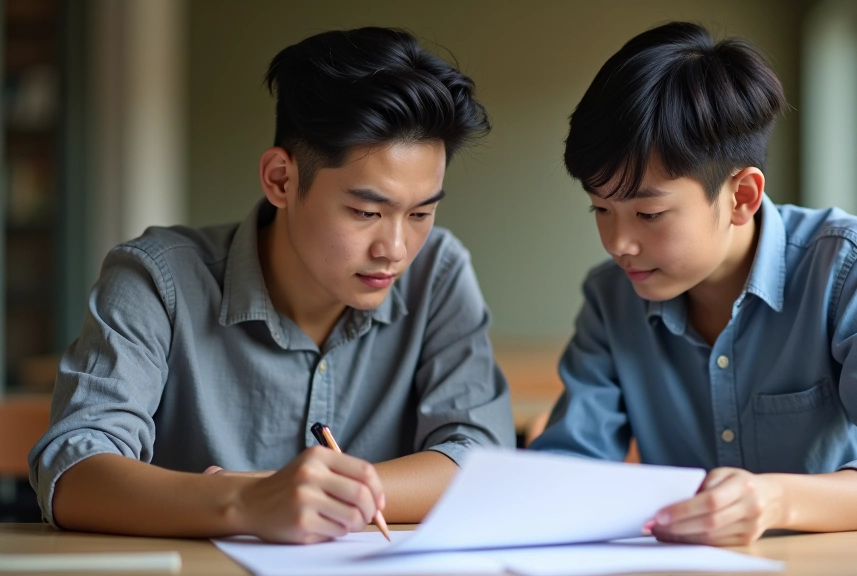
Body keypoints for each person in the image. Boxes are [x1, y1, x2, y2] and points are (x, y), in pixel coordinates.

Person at [29, 27, 514, 544]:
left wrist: (303, 493)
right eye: (366, 211)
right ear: (281, 179)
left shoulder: (437, 273)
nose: (394, 248)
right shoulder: (155, 278)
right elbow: (74, 470)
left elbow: (480, 461)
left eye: (421, 212)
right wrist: (246, 502)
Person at [529, 21, 857, 545]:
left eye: (648, 213)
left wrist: (773, 500)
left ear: (743, 196)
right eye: (601, 209)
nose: (618, 243)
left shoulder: (853, 265)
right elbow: (572, 463)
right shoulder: (611, 297)